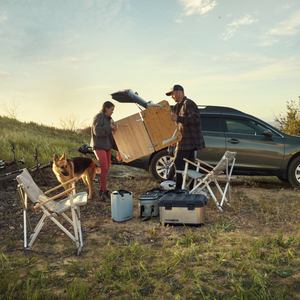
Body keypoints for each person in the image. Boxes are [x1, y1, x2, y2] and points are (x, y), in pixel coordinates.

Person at [166, 84, 205, 189]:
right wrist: (174, 138)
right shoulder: (178, 106)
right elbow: (178, 124)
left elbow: (195, 119)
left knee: (178, 162)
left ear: (179, 92)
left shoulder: (189, 103)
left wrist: (178, 118)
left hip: (188, 142)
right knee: (190, 166)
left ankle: (179, 189)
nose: (172, 97)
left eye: (172, 94)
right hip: (182, 140)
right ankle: (191, 189)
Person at [91, 101, 120, 202]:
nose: (112, 112)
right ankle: (104, 192)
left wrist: (117, 149)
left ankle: (101, 191)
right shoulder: (98, 117)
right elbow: (97, 131)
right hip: (99, 146)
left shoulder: (110, 119)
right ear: (106, 108)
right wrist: (109, 127)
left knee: (106, 170)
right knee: (104, 168)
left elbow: (112, 136)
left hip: (107, 146)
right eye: (111, 110)